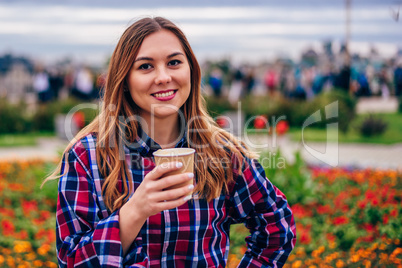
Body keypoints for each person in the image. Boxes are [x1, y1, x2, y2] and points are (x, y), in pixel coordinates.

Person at [45, 17, 296, 267]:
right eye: (145, 66)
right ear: (124, 80)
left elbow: (277, 228)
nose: (163, 77)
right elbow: (70, 260)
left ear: (191, 71)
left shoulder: (223, 152)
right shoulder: (87, 155)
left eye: (174, 62)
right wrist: (135, 212)